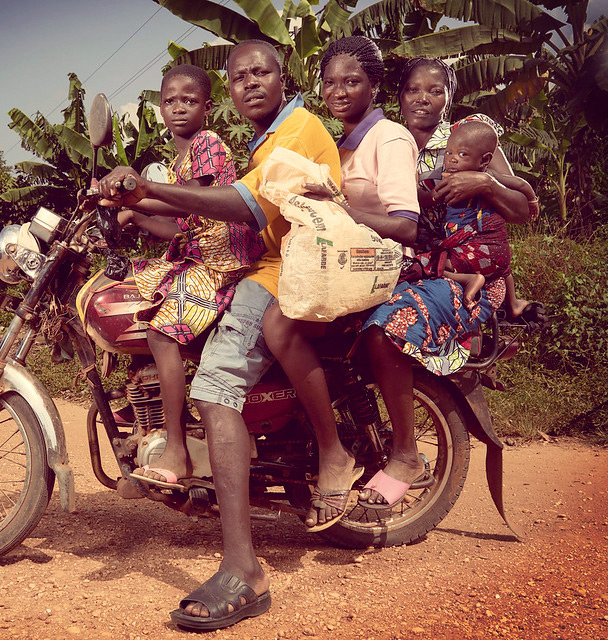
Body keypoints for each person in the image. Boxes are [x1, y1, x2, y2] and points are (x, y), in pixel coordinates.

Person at [99, 39, 341, 631]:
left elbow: (243, 208)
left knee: (215, 388)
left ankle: (244, 568)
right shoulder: (266, 140)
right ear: (229, 90)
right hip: (270, 265)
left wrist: (145, 191)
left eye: (261, 72)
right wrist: (137, 205)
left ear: (284, 79)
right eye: (240, 76)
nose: (250, 83)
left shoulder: (298, 131)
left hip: (285, 272)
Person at [356, 57, 537, 509]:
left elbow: (524, 208)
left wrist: (486, 182)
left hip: (464, 269)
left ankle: (404, 454)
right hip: (416, 263)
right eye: (414, 90)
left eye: (434, 90)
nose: (423, 98)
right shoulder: (389, 138)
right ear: (399, 96)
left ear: (448, 96)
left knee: (388, 328)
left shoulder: (470, 133)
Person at [262, 36, 420, 529]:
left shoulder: (388, 137)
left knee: (280, 325)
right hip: (342, 267)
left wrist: (341, 207)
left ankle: (335, 453)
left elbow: (407, 225)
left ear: (374, 85)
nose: (339, 91)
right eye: (330, 82)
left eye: (352, 81)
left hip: (383, 269)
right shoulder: (338, 141)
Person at [117, 64, 264, 488]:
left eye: (189, 100)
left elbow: (193, 203)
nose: (178, 108)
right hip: (200, 257)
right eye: (170, 101)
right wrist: (135, 217)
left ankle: (177, 449)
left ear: (207, 107)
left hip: (224, 264)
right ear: (159, 107)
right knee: (131, 297)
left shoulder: (208, 144)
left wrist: (139, 198)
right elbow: (184, 225)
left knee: (161, 333)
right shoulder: (177, 160)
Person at [414, 119, 536, 309]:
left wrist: (418, 193)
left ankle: (470, 279)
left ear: (484, 160)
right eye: (448, 152)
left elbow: (430, 198)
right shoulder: (490, 176)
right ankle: (513, 304)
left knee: (430, 263)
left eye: (462, 154)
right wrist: (532, 200)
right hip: (498, 251)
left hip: (475, 249)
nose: (452, 159)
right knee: (503, 269)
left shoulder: (473, 179)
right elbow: (520, 184)